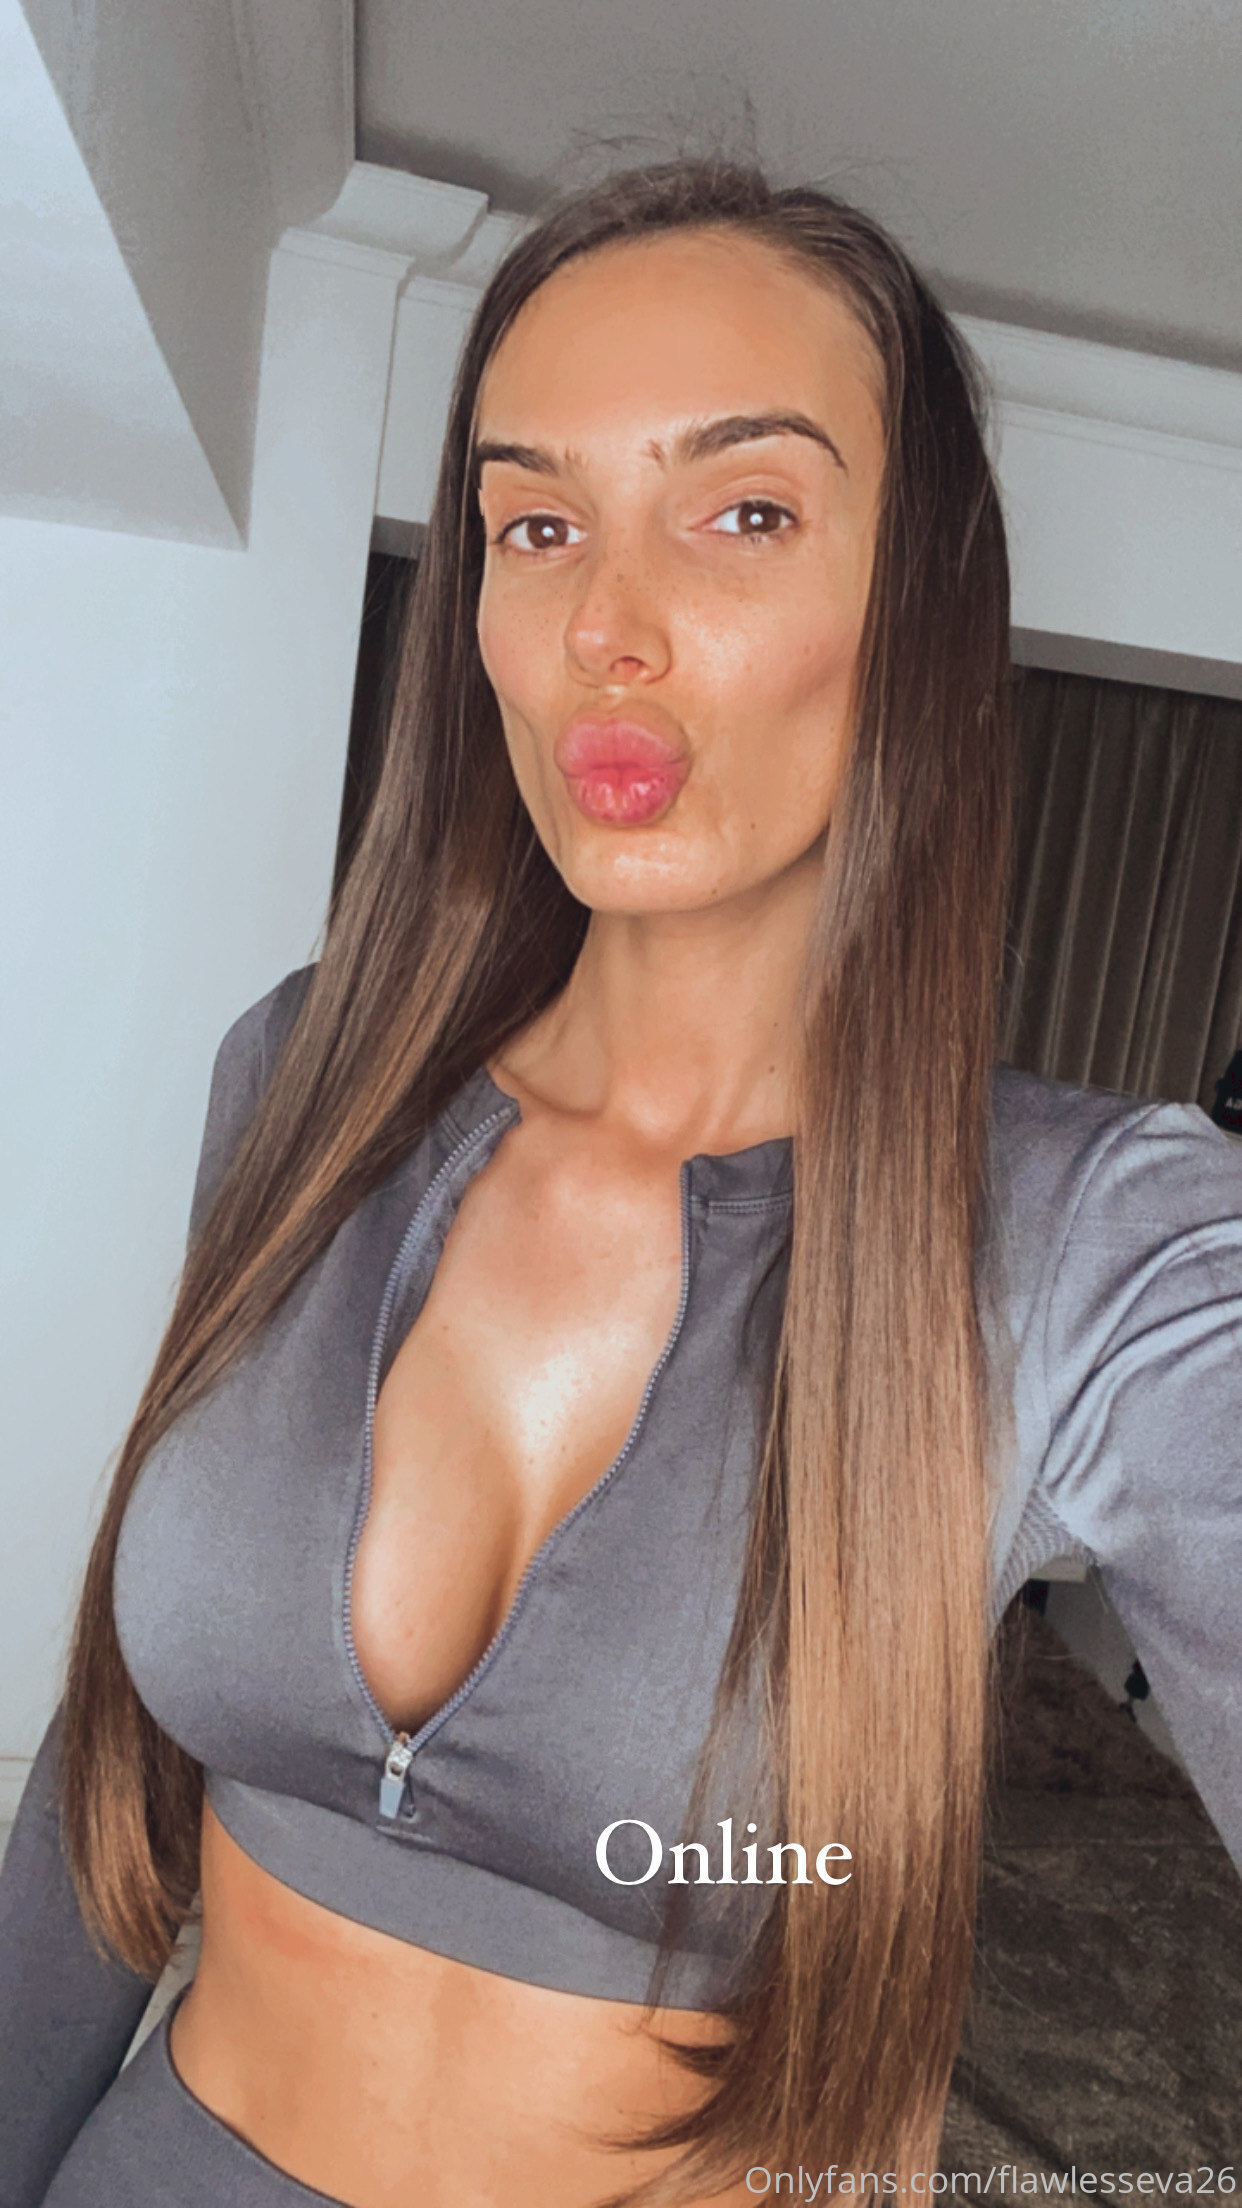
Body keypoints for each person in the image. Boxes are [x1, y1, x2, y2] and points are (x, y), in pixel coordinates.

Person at [2, 159, 1240, 2208]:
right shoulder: (308, 1077)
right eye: (537, 522)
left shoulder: (1091, 1253)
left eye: (742, 513)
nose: (603, 627)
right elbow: (109, 1781)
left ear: (918, 602)